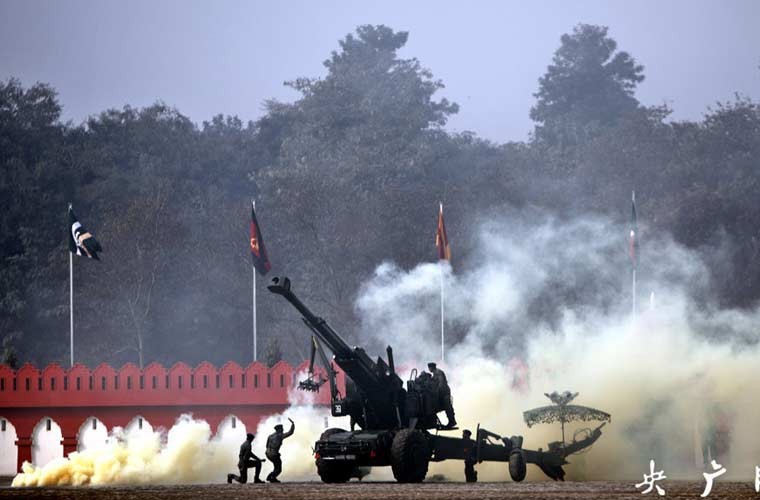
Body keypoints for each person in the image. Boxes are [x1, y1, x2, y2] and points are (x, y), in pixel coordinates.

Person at [265, 417, 295, 483]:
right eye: (282, 429)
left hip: (267, 453)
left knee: (276, 466)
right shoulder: (280, 435)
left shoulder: (270, 436)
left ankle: (272, 477)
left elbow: (266, 445)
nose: (283, 429)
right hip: (274, 454)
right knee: (278, 469)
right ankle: (271, 477)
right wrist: (292, 424)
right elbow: (290, 432)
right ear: (279, 429)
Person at [428, 362, 457, 428]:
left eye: (429, 368)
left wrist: (437, 392)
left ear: (431, 367)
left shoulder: (438, 372)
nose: (429, 369)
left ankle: (452, 422)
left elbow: (441, 383)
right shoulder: (435, 373)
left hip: (444, 393)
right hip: (442, 393)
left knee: (448, 407)